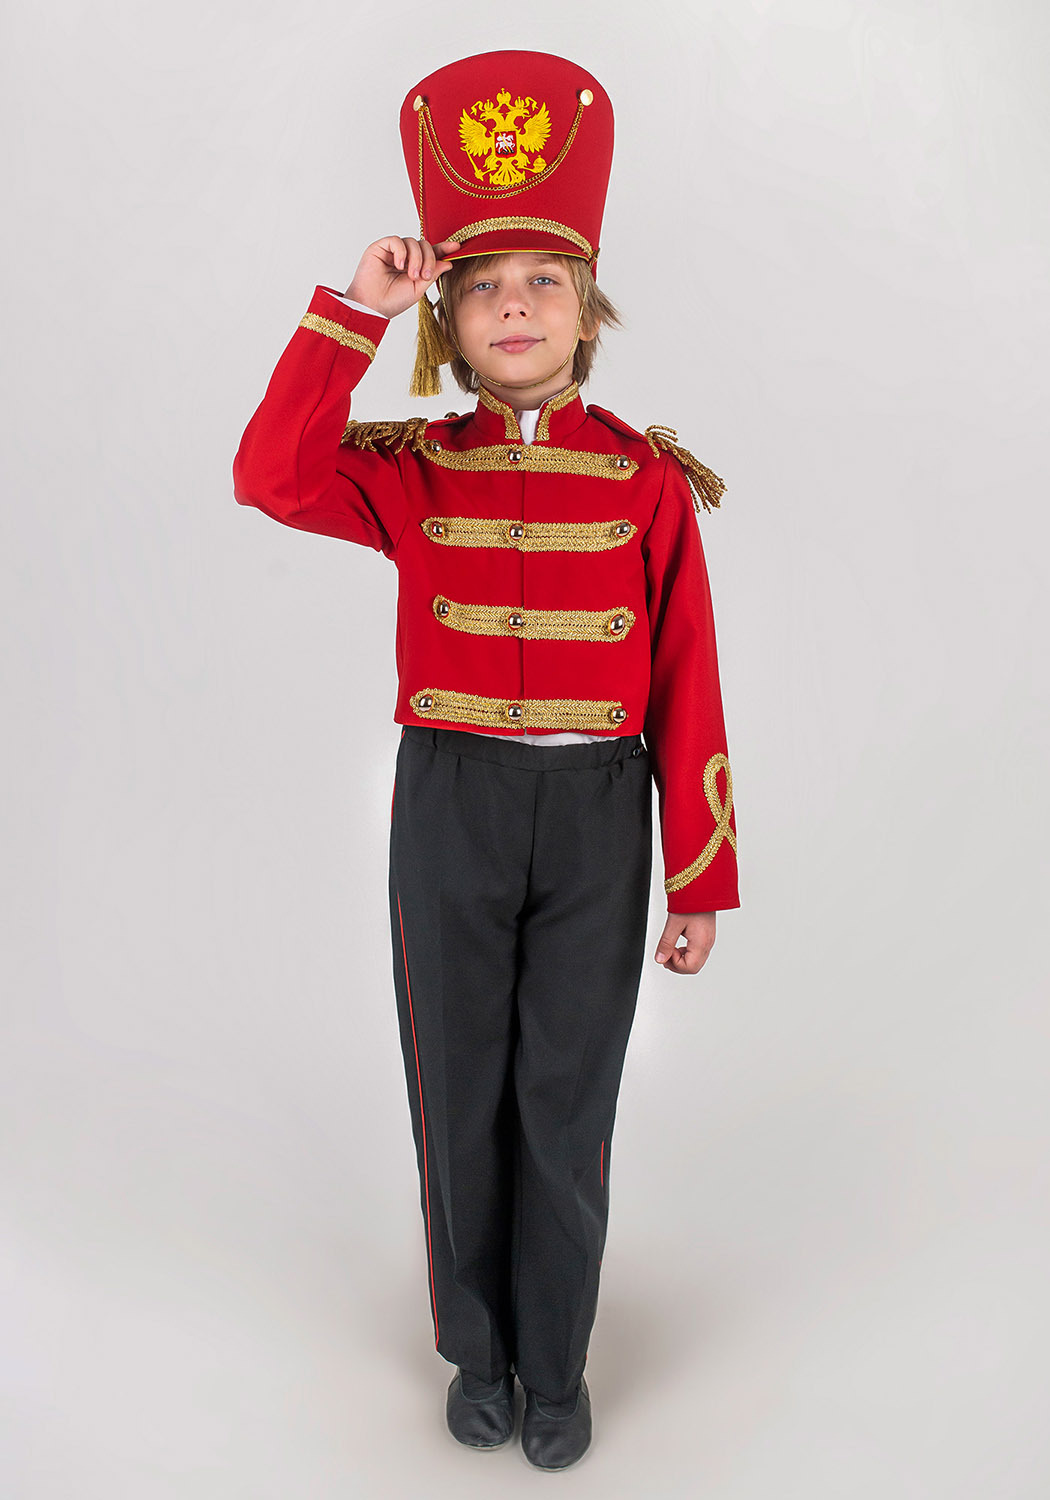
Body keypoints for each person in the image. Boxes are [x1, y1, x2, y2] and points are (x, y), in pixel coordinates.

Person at [232, 48, 740, 1471]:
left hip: (596, 812)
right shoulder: (411, 467)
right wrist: (353, 311)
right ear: (449, 323)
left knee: (565, 1096)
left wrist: (700, 876)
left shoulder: (647, 478)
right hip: (450, 800)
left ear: (587, 310)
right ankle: (479, 1350)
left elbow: (688, 679)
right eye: (484, 286)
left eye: (544, 282)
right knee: (456, 1087)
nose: (516, 304)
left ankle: (554, 1363)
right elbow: (270, 475)